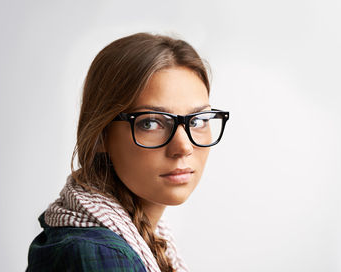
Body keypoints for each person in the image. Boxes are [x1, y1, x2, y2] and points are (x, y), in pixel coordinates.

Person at [26, 32, 229, 272]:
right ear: (101, 134)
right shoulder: (101, 255)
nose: (183, 147)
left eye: (197, 121)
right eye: (150, 123)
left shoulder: (144, 239)